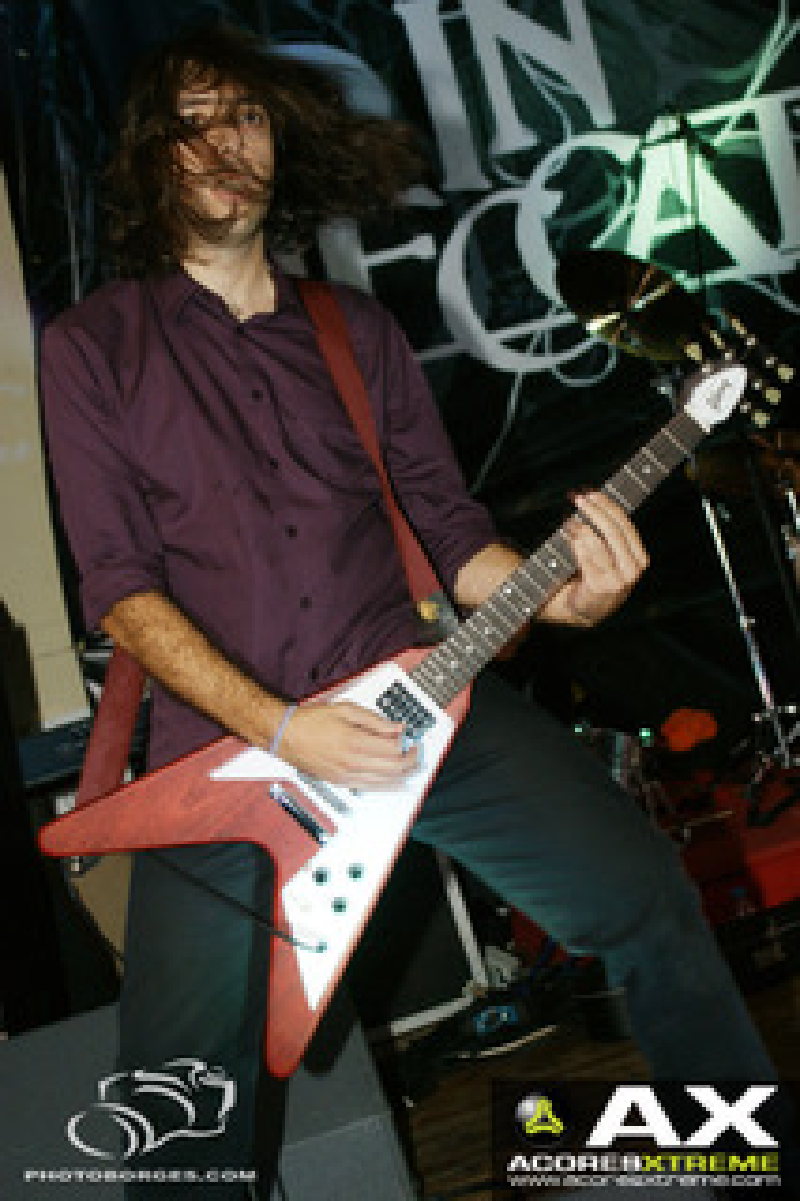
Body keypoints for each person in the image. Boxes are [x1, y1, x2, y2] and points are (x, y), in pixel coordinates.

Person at [41, 21, 782, 1199]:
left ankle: (729, 1164)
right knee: (181, 1105)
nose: (226, 142)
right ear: (150, 155)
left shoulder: (356, 330)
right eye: (193, 123)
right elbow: (121, 592)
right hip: (226, 756)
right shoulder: (93, 350)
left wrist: (569, 594)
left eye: (247, 115)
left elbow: (449, 535)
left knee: (645, 899)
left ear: (280, 138)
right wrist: (285, 727)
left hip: (423, 703)